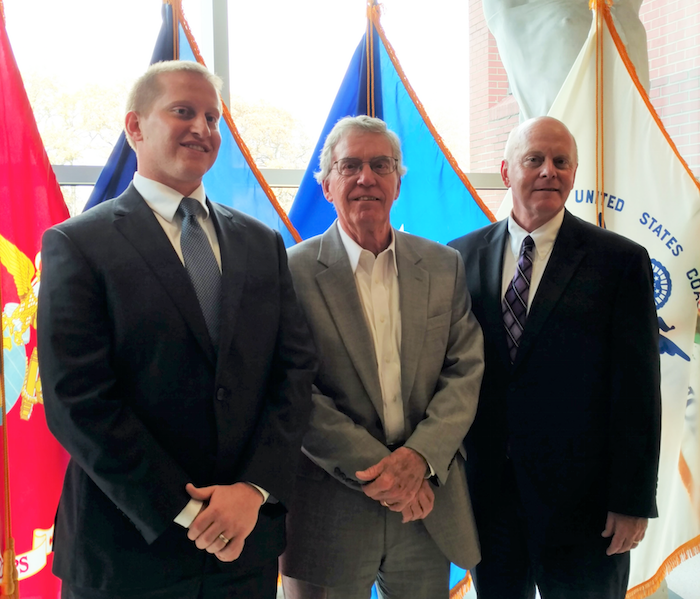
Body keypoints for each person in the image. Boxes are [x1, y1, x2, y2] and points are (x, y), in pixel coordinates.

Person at [37, 60, 316, 599]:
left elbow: (294, 373)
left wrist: (252, 492)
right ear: (135, 127)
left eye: (213, 117)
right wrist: (189, 511)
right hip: (127, 549)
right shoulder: (78, 244)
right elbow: (79, 400)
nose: (203, 129)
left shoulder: (262, 244)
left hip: (244, 546)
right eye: (183, 112)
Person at [448, 116, 661, 599]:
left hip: (586, 508)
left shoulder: (619, 261)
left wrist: (631, 501)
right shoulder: (459, 258)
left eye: (561, 162)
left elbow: (638, 390)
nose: (549, 171)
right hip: (490, 501)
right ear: (506, 172)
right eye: (534, 160)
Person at [279, 115, 484, 599]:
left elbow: (465, 371)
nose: (365, 177)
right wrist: (390, 473)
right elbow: (293, 390)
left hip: (426, 505)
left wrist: (419, 459)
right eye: (349, 165)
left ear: (398, 181)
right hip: (330, 508)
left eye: (381, 165)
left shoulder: (443, 265)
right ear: (326, 184)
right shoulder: (291, 271)